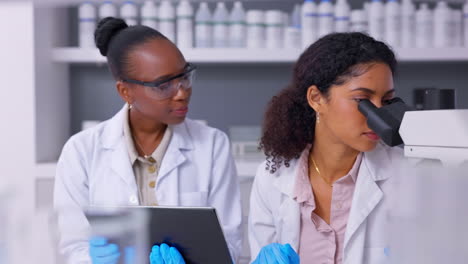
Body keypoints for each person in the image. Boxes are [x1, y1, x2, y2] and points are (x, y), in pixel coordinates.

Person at [54, 17, 242, 264]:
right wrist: (93, 259)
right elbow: (73, 247)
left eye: (184, 76)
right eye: (163, 85)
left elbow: (229, 244)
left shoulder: (212, 145)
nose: (182, 92)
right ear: (125, 91)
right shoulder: (82, 151)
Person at [249, 32, 406, 264]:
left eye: (386, 101)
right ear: (316, 98)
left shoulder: (407, 176)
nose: (378, 116)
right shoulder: (271, 178)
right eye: (362, 99)